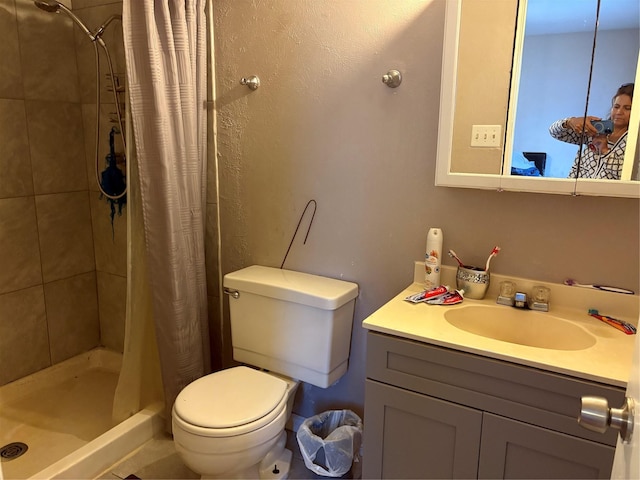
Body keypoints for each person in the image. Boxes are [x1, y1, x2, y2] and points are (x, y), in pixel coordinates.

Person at [549, 83, 633, 179]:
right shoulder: (594, 130)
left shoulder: (634, 142)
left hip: (608, 194)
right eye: (616, 107)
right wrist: (570, 122)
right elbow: (555, 133)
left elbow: (628, 176)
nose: (619, 112)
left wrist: (605, 151)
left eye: (628, 108)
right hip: (576, 191)